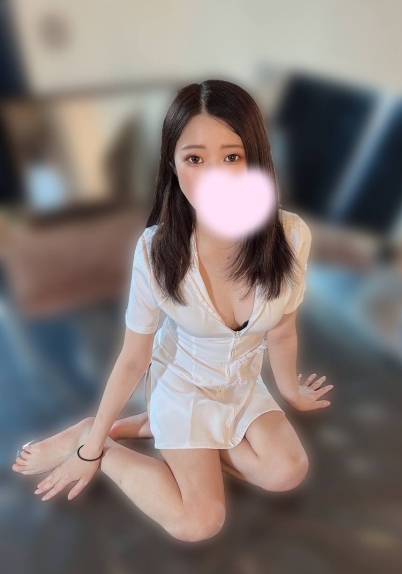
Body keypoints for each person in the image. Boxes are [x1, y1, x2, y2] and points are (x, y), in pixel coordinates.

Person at [12, 80, 334, 542]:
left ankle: (148, 430)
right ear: (174, 166)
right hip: (182, 385)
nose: (214, 176)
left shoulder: (292, 235)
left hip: (240, 383)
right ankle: (97, 437)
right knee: (198, 522)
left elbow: (282, 331)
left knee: (287, 472)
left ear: (257, 161)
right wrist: (91, 449)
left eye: (232, 157)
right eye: (195, 159)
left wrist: (291, 391)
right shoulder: (155, 250)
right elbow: (133, 357)